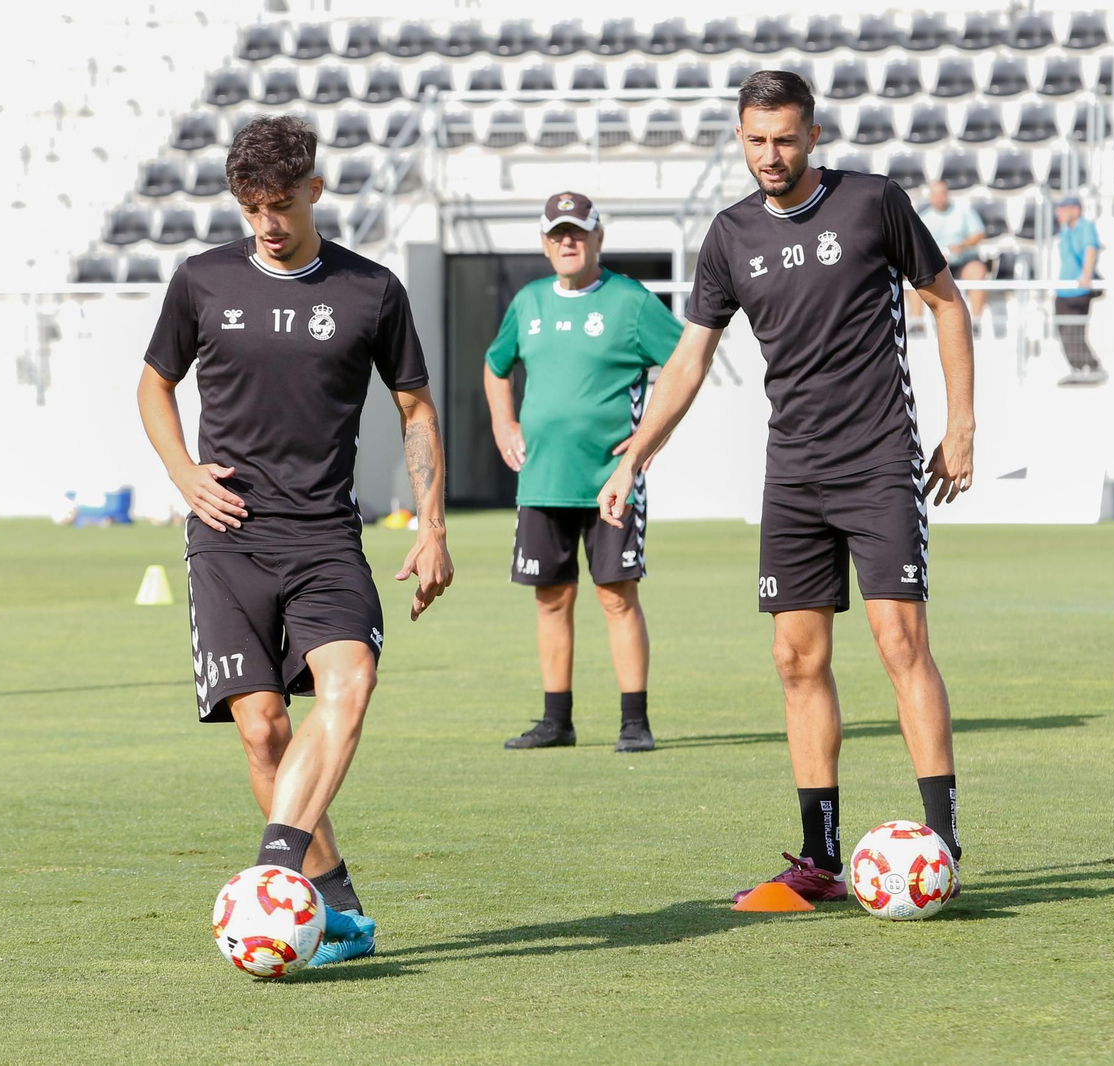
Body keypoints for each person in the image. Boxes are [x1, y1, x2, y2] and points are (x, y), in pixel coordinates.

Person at [597, 70, 974, 904]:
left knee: (900, 645)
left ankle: (943, 846)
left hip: (878, 459)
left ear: (813, 136)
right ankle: (820, 860)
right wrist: (636, 458)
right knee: (795, 659)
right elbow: (691, 356)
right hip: (793, 471)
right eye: (756, 139)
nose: (771, 155)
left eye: (786, 139)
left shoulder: (874, 202)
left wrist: (962, 425)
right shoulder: (729, 236)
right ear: (741, 135)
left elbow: (947, 304)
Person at [136, 115, 454, 964]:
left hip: (323, 536)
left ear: (314, 191)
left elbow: (415, 408)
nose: (267, 223)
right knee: (265, 731)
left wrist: (431, 525)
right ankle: (334, 900)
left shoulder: (371, 291)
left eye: (281, 204)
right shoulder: (201, 281)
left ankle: (275, 877)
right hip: (227, 536)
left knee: (350, 682)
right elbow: (154, 385)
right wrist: (182, 473)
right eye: (251, 208)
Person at [483, 192, 684, 754]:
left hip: (610, 482)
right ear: (545, 244)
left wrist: (650, 442)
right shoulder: (527, 302)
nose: (567, 242)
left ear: (598, 237)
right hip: (542, 479)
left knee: (617, 597)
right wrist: (504, 424)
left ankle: (634, 722)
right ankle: (556, 721)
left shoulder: (631, 302)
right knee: (551, 598)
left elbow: (684, 364)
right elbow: (496, 366)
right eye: (556, 234)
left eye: (577, 232)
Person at [910, 181, 989, 330]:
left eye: (942, 193)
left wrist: (962, 246)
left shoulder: (963, 211)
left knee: (978, 270)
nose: (939, 197)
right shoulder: (923, 218)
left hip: (963, 261)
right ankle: (916, 321)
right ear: (930, 197)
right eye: (936, 194)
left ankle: (976, 322)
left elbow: (979, 234)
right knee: (911, 272)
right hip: (937, 265)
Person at [1054, 196, 1105, 385]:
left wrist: (1086, 275)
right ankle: (1078, 368)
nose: (1058, 212)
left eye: (1062, 208)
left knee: (1074, 333)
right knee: (1064, 333)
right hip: (1063, 292)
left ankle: (1091, 367)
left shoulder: (1085, 227)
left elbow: (1090, 249)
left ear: (1075, 210)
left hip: (1078, 291)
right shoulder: (1066, 231)